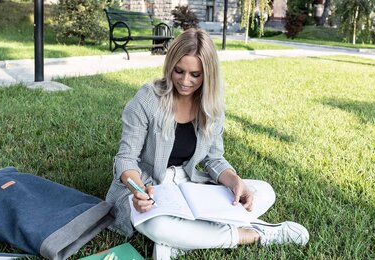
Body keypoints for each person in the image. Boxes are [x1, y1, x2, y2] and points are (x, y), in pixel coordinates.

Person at [106, 28, 309, 259]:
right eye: (179, 71)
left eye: (195, 75)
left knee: (264, 192)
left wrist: (235, 182)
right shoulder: (147, 99)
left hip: (190, 185)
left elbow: (214, 159)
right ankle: (252, 234)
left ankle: (177, 243)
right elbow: (126, 158)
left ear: (208, 75)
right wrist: (138, 191)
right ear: (170, 65)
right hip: (151, 185)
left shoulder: (211, 106)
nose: (185, 81)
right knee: (156, 225)